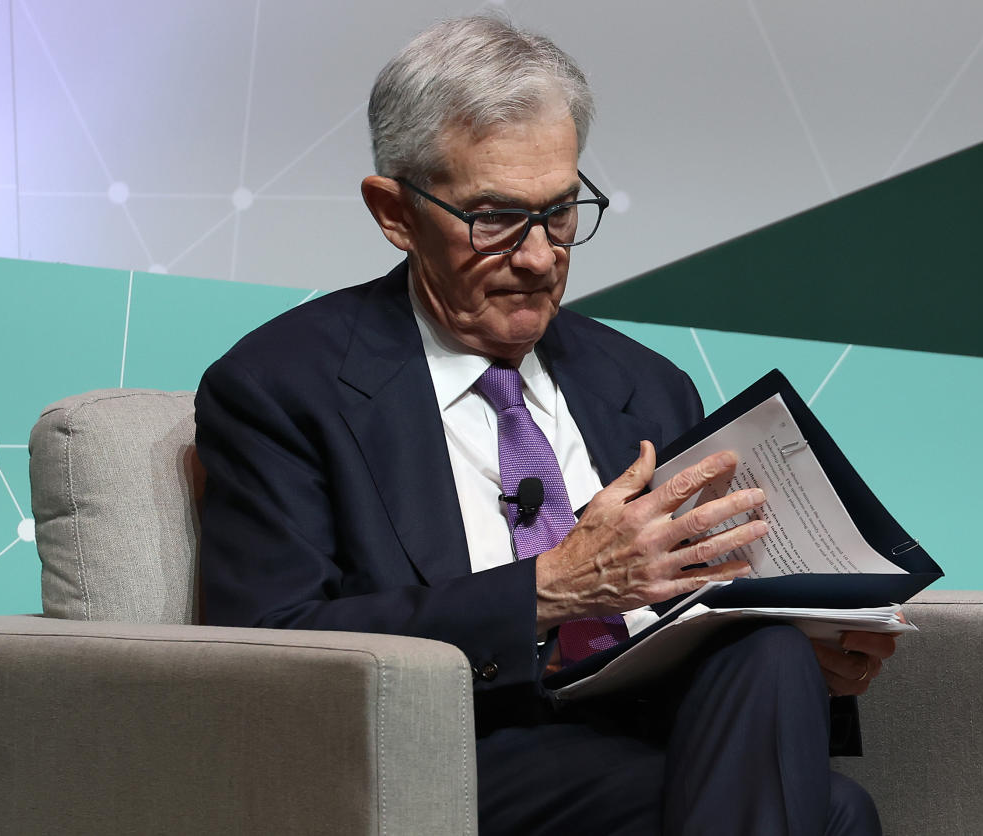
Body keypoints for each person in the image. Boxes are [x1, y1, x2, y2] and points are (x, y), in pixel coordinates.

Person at [196, 15, 895, 834]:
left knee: (774, 660)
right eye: (494, 218)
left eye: (560, 212)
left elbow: (698, 606)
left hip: (644, 725)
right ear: (394, 212)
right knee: (834, 816)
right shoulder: (283, 387)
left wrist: (819, 657)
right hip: (455, 750)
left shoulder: (643, 385)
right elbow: (271, 649)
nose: (538, 256)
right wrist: (551, 589)